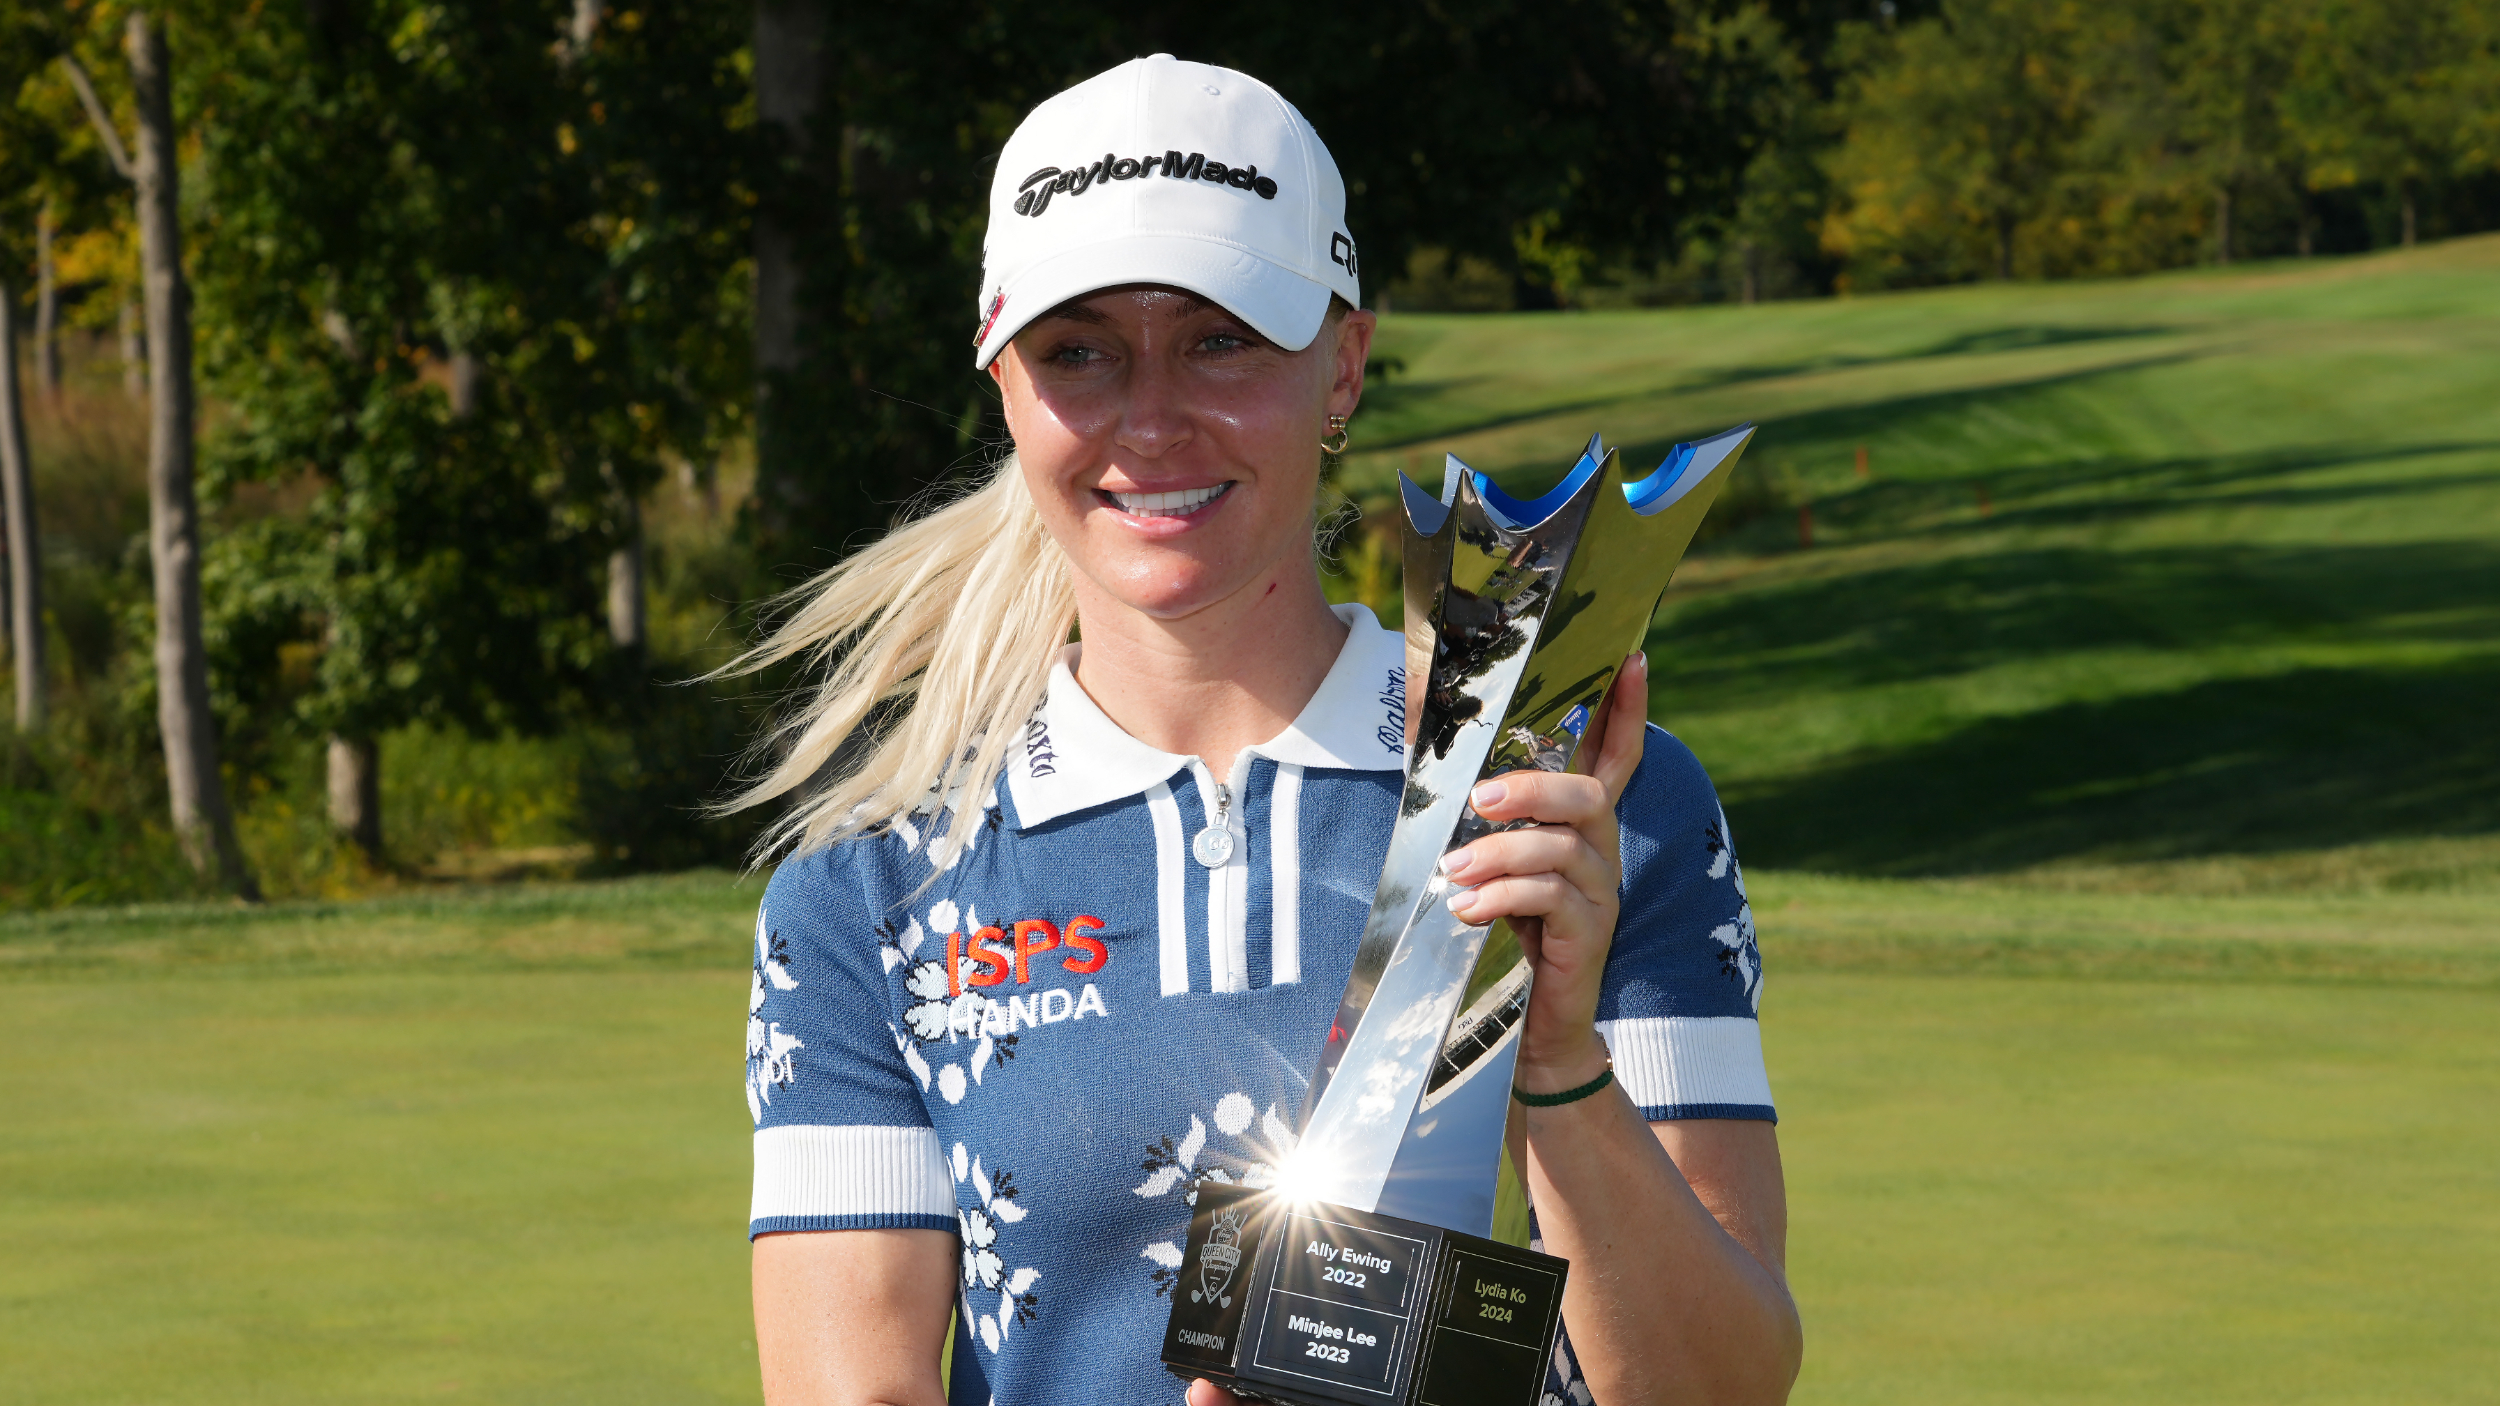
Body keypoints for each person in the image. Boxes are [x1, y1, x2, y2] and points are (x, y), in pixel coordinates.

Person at [735, 54, 1801, 1406]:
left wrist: (1559, 1060)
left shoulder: (1582, 801)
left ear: (1343, 360)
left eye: (1221, 339)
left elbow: (1726, 1387)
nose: (1153, 415)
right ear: (1005, 384)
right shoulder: (873, 889)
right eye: (1080, 352)